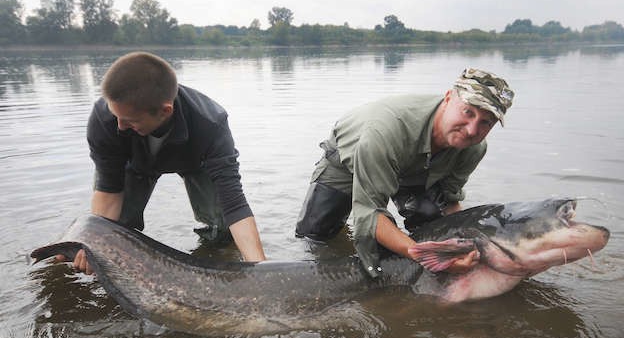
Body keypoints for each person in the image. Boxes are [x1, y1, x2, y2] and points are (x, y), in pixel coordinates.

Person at [295, 68, 514, 278]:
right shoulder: (383, 132)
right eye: (468, 112)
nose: (471, 130)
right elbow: (370, 214)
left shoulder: (474, 147)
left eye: (486, 122)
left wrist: (469, 247)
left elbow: (449, 200)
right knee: (316, 237)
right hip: (348, 161)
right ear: (448, 98)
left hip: (414, 168)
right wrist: (429, 257)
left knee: (430, 216)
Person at [62, 51, 266, 273]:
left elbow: (234, 204)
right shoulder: (105, 119)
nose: (119, 126)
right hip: (134, 164)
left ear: (165, 111)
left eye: (130, 121)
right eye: (116, 116)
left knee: (222, 228)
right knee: (115, 233)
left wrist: (260, 270)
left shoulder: (211, 124)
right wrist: (94, 244)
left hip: (195, 162)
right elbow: (109, 191)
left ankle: (215, 255)